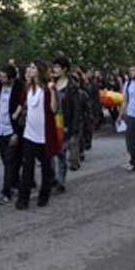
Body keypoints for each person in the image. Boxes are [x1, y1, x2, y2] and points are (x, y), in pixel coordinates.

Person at [14, 61, 59, 210]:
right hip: (29, 134)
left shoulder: (47, 89)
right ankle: (23, 199)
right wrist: (16, 113)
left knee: (46, 168)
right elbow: (22, 103)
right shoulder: (28, 87)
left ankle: (44, 195)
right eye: (30, 67)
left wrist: (53, 91)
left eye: (33, 67)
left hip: (44, 135)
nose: (29, 69)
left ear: (39, 70)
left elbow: (53, 109)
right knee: (27, 167)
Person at [51, 56, 86, 192]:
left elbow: (76, 109)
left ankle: (61, 181)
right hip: (51, 123)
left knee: (61, 154)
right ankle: (52, 178)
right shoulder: (51, 84)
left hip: (64, 123)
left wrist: (74, 128)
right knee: (49, 154)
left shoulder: (72, 87)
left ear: (65, 69)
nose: (55, 70)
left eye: (58, 67)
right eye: (54, 67)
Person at [0, 64, 25, 206]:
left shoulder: (18, 89)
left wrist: (16, 133)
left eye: (4, 77)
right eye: (0, 76)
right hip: (0, 128)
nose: (1, 79)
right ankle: (16, 182)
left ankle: (6, 192)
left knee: (10, 160)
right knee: (6, 161)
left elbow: (21, 111)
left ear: (11, 78)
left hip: (12, 129)